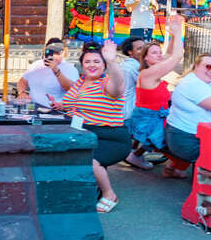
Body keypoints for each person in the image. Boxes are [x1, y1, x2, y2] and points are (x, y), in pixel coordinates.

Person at [49, 41, 129, 213]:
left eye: (97, 61)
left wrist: (112, 61)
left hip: (110, 137)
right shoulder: (81, 82)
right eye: (87, 61)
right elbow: (72, 102)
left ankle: (109, 194)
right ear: (82, 64)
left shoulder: (106, 83)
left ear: (104, 65)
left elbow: (118, 84)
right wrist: (59, 105)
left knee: (89, 159)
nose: (92, 65)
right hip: (85, 134)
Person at [126, 15, 184, 173]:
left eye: (159, 52)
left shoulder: (152, 70)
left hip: (153, 117)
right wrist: (178, 32)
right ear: (145, 58)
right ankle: (171, 168)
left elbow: (169, 55)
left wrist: (173, 35)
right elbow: (177, 56)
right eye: (154, 53)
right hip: (150, 120)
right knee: (175, 147)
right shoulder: (148, 74)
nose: (160, 55)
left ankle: (136, 154)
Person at [16, 38, 79, 107]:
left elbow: (71, 89)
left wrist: (56, 70)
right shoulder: (36, 64)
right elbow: (22, 81)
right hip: (32, 107)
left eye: (57, 52)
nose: (54, 55)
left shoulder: (70, 69)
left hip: (54, 110)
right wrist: (22, 93)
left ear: (63, 53)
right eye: (51, 52)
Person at [120, 36, 145, 130]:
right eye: (139, 48)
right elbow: (149, 85)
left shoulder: (126, 64)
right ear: (130, 52)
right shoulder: (133, 67)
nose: (144, 51)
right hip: (129, 113)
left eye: (144, 47)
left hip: (125, 112)